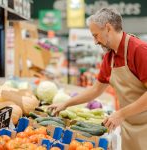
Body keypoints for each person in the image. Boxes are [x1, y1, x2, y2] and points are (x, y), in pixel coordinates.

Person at [48, 7, 147, 150]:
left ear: (108, 28)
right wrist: (66, 103)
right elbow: (96, 89)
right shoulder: (110, 57)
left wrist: (121, 113)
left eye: (96, 35)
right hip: (129, 126)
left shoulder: (139, 50)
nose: (95, 42)